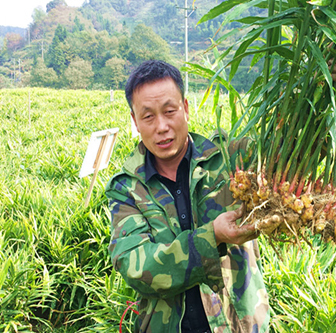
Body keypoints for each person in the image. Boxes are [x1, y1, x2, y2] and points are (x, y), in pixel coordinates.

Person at [105, 60, 269, 333]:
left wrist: (324, 90)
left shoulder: (231, 158)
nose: (161, 126)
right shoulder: (127, 188)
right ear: (134, 121)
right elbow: (137, 266)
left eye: (170, 111)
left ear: (186, 108)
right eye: (148, 117)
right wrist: (212, 237)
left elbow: (291, 152)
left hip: (241, 324)